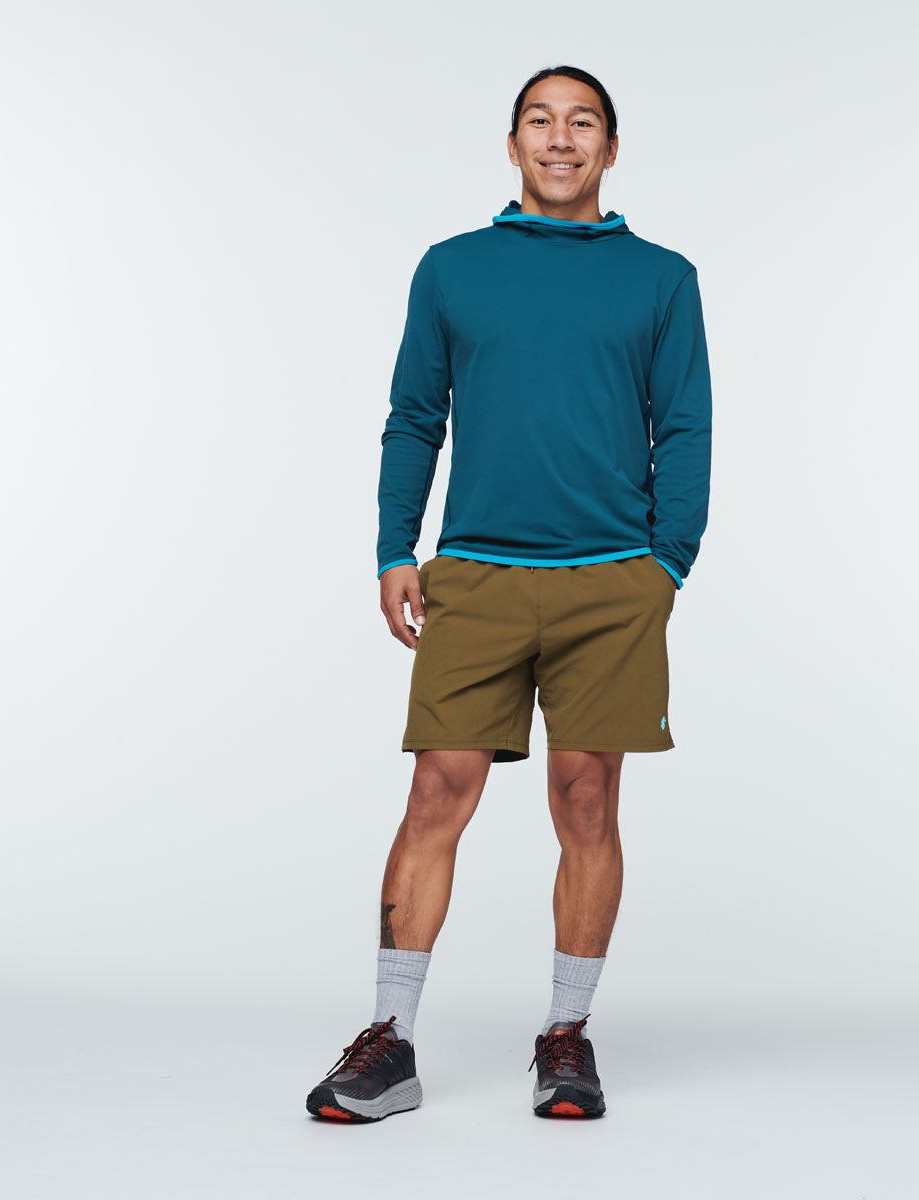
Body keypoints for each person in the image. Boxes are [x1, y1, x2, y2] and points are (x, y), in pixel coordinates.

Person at [306, 64, 712, 1123]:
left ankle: (566, 1037)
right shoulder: (452, 268)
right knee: (436, 793)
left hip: (611, 582)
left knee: (586, 801)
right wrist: (395, 550)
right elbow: (413, 415)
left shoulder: (662, 278)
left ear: (610, 149)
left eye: (583, 123)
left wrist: (666, 565)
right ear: (513, 142)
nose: (561, 138)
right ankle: (389, 1041)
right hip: (477, 576)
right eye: (541, 119)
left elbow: (686, 426)